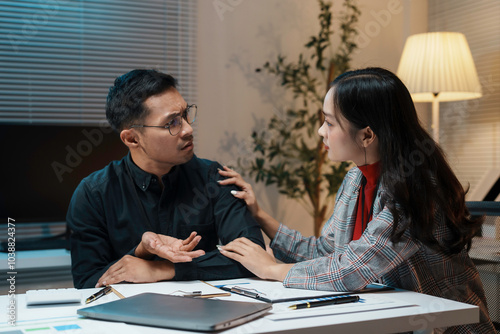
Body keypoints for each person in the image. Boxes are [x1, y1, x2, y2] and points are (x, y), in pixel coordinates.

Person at [217, 67, 495, 333]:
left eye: (329, 122)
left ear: (367, 135)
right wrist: (260, 215)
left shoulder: (416, 190)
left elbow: (350, 271)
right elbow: (327, 252)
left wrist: (271, 269)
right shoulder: (355, 181)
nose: (320, 132)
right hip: (392, 321)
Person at [67, 69, 265, 289]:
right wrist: (141, 251)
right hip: (128, 317)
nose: (188, 129)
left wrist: (161, 269)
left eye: (185, 115)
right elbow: (87, 281)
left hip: (204, 311)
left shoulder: (213, 178)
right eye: (172, 123)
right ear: (132, 139)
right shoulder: (93, 194)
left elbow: (254, 257)